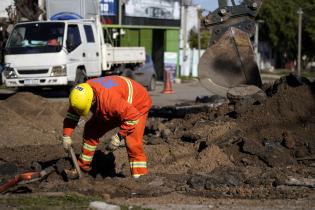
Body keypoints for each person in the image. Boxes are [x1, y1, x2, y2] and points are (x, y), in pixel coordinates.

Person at [62, 76, 152, 178]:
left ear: (92, 101)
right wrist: (66, 135)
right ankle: (82, 167)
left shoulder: (110, 101)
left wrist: (119, 137)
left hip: (137, 104)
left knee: (132, 143)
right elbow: (72, 116)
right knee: (91, 130)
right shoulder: (80, 95)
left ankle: (139, 177)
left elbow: (133, 117)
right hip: (119, 104)